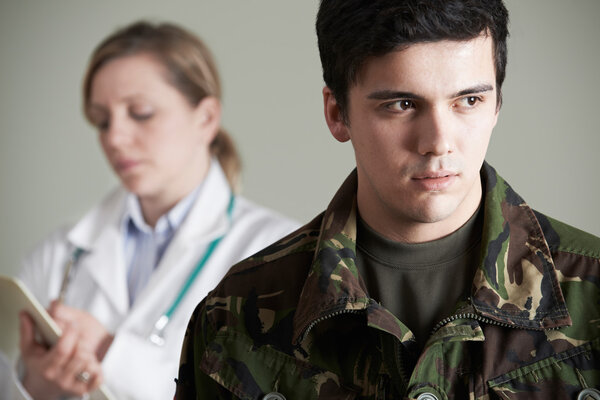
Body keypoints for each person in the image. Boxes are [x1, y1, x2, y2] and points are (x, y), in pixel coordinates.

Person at [175, 1, 600, 399]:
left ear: (497, 105)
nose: (438, 143)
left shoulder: (594, 291)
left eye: (468, 101)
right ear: (337, 113)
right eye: (401, 104)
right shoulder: (232, 317)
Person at [7, 20, 298, 400]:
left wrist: (110, 353)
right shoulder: (58, 254)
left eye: (140, 113)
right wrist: (34, 386)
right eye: (102, 120)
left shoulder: (280, 254)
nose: (114, 137)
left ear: (206, 118)